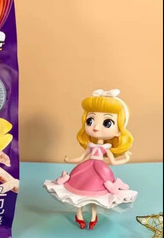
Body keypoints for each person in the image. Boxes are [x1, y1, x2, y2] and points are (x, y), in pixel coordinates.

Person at [44, 89, 138, 230]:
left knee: (95, 194)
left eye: (107, 123)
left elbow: (113, 162)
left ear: (119, 130)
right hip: (86, 168)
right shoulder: (90, 145)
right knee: (79, 188)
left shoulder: (106, 147)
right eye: (90, 120)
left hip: (101, 169)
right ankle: (79, 215)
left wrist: (126, 158)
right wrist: (69, 160)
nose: (96, 127)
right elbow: (82, 157)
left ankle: (94, 216)